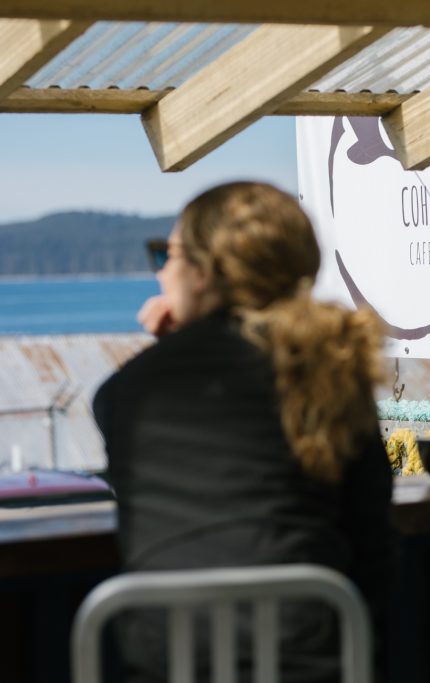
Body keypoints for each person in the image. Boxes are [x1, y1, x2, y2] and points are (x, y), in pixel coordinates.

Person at [93, 181, 395, 682]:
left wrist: (172, 349)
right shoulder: (329, 376)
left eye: (167, 256)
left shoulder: (124, 394)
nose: (162, 273)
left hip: (170, 666)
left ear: (205, 274)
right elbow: (372, 539)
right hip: (313, 662)